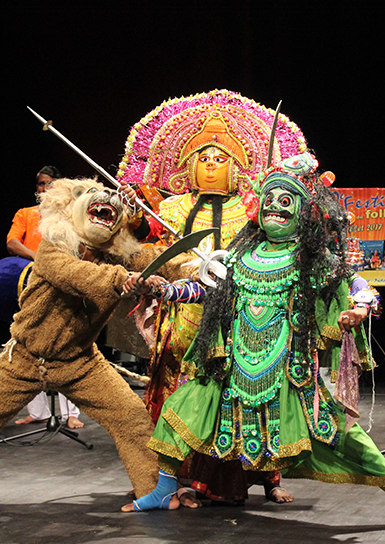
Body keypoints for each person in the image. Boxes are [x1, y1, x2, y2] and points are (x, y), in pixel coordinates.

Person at [121, 151, 385, 512]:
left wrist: (359, 309)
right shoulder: (240, 254)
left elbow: (357, 284)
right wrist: (164, 290)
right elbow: (204, 289)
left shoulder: (311, 258)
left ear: (304, 212)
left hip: (287, 374)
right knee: (178, 411)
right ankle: (164, 489)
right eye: (270, 199)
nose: (275, 206)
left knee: (340, 437)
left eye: (286, 200)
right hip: (231, 368)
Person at [117, 91, 307, 504]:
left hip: (240, 315)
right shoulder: (168, 208)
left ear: (237, 167)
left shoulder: (253, 209)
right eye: (203, 158)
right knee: (177, 389)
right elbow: (146, 245)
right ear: (187, 165)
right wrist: (137, 220)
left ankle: (259, 478)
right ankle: (171, 478)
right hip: (183, 313)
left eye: (220, 159)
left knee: (250, 392)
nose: (211, 165)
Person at [0, 177, 196, 502]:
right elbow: (77, 275)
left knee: (131, 418)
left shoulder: (114, 255)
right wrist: (124, 280)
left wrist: (197, 267)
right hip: (24, 359)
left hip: (81, 362)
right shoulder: (52, 248)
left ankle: (155, 493)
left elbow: (156, 259)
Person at [5, 166, 83, 429]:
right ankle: (37, 412)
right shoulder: (26, 214)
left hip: (60, 283)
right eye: (40, 184)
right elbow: (12, 243)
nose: (44, 189)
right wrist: (37, 257)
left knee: (63, 343)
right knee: (28, 343)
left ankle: (71, 413)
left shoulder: (69, 216)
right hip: (30, 282)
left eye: (49, 184)